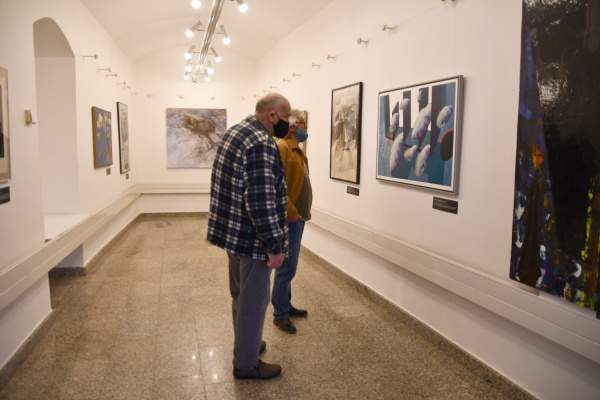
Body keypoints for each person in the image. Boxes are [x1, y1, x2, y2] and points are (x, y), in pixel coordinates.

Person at [207, 93, 291, 380]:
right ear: (272, 116)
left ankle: (247, 342)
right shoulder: (261, 143)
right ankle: (246, 363)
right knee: (254, 302)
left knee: (240, 296)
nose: (288, 124)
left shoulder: (236, 131)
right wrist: (274, 246)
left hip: (233, 234)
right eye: (286, 118)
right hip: (253, 240)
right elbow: (260, 201)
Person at [272, 110, 312, 334]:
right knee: (287, 268)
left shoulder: (297, 150)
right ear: (293, 127)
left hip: (299, 217)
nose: (307, 128)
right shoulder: (283, 148)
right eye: (304, 124)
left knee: (289, 267)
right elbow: (279, 186)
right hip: (291, 218)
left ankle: (285, 305)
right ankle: (280, 314)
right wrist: (291, 212)